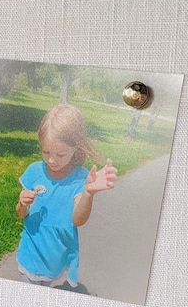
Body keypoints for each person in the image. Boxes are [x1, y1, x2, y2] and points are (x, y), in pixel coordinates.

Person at [15, 102, 116, 291]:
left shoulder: (80, 178)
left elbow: (78, 219)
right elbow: (21, 214)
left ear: (75, 148)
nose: (52, 160)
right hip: (30, 254)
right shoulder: (34, 171)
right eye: (46, 152)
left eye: (60, 154)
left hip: (55, 257)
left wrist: (88, 193)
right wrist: (22, 203)